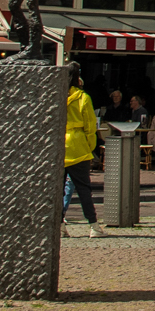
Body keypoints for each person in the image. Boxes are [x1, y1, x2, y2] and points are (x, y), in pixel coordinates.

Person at [63, 72, 101, 237]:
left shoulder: (57, 94)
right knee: (84, 189)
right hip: (78, 147)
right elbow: (90, 124)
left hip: (60, 146)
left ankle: (59, 226)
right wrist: (89, 146)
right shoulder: (83, 97)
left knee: (58, 190)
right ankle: (93, 226)